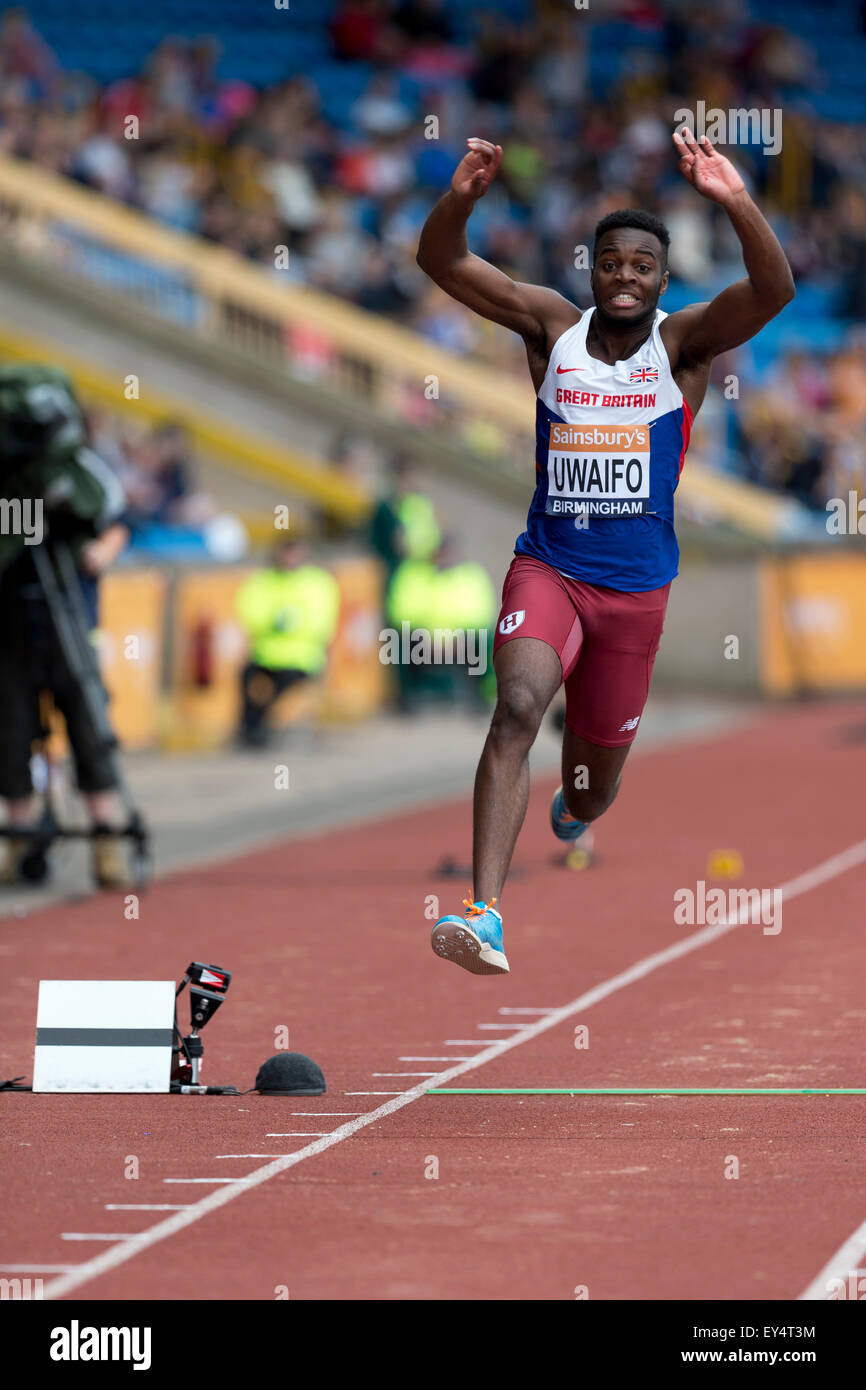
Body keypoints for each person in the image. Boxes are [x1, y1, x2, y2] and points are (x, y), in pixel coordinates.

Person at [417, 130, 795, 975]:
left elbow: (775, 289)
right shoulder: (552, 327)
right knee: (517, 708)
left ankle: (576, 805)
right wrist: (462, 198)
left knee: (590, 788)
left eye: (643, 266)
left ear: (662, 279)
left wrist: (734, 199)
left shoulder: (683, 344)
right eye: (612, 263)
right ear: (591, 268)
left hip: (634, 597)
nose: (625, 276)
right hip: (549, 568)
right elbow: (442, 261)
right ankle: (485, 915)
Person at [0, 365, 131, 888]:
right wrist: (23, 511)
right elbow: (13, 540)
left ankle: (106, 839)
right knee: (10, 732)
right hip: (11, 628)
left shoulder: (80, 472)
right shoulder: (9, 483)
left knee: (89, 725)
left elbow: (115, 519)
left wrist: (99, 550)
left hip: (69, 626)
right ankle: (18, 838)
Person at [235, 536, 340, 746]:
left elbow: (322, 620)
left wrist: (291, 623)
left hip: (302, 658)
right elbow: (250, 614)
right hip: (265, 655)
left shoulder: (317, 582)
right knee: (248, 679)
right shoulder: (263, 581)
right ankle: (250, 729)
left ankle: (265, 727)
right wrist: (274, 622)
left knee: (280, 686)